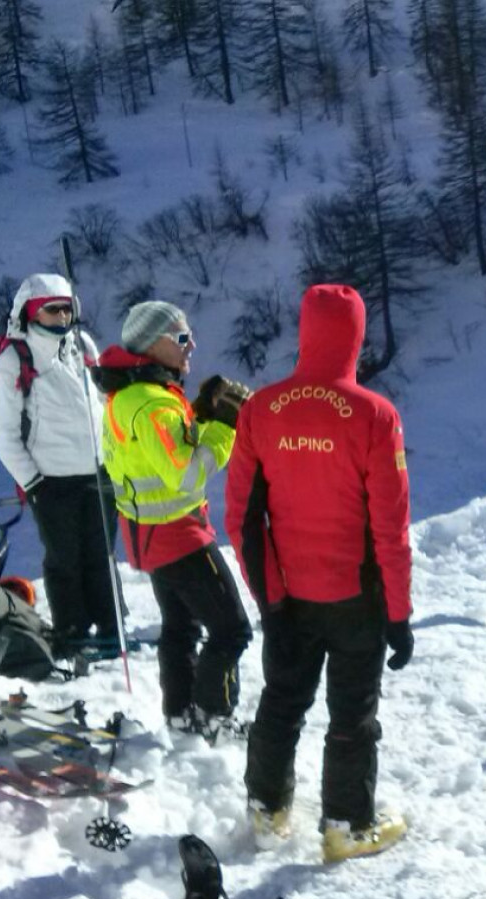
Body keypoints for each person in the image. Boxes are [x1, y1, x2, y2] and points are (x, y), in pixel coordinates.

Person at [226, 284, 414, 864]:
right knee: (352, 714)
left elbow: (240, 517)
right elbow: (391, 528)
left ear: (305, 332)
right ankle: (346, 824)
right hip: (357, 597)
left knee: (281, 700)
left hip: (287, 596)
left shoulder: (260, 408)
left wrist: (267, 595)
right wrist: (400, 614)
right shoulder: (375, 415)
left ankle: (266, 809)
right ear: (356, 337)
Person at [94, 302, 252, 736]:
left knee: (181, 628)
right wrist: (225, 426)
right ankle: (214, 717)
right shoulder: (153, 404)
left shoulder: (130, 395)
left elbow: (163, 453)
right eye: (181, 338)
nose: (191, 345)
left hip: (149, 536)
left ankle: (181, 713)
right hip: (178, 535)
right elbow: (185, 475)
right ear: (152, 344)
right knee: (232, 629)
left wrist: (199, 416)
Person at [0, 274, 118, 656]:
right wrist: (33, 482)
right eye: (52, 309)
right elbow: (2, 432)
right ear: (30, 311)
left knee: (101, 556)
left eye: (67, 308)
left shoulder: (82, 345)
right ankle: (72, 632)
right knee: (64, 559)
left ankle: (111, 629)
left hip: (98, 473)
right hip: (52, 480)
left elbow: (102, 406)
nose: (62, 316)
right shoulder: (16, 357)